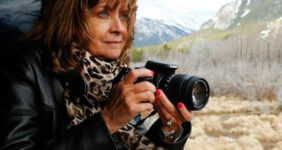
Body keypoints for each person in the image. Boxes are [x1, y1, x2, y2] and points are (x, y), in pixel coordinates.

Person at [0, 0, 193, 149]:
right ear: (71, 18)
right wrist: (108, 121)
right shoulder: (24, 67)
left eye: (124, 16)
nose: (119, 28)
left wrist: (168, 133)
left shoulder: (114, 74)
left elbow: (134, 141)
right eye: (103, 13)